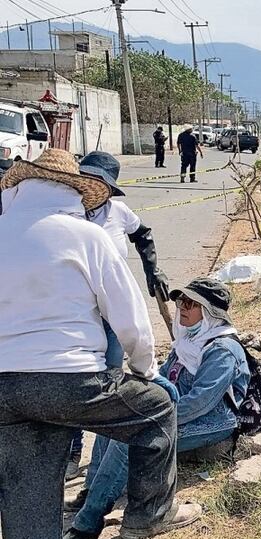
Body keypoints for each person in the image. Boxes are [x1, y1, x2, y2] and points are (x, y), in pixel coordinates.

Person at [0, 149, 199, 539]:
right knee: (158, 409)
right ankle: (149, 515)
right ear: (73, 191)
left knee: (27, 498)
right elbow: (130, 320)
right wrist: (145, 370)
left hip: (4, 389)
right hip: (71, 379)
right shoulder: (85, 236)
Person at [64, 278, 248, 539]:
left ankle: (86, 527)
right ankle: (91, 494)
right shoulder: (188, 339)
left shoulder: (222, 350)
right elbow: (163, 377)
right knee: (113, 423)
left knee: (130, 441)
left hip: (214, 422)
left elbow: (202, 403)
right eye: (180, 302)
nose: (182, 308)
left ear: (210, 312)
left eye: (191, 303)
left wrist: (155, 417)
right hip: (176, 411)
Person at [62, 151, 171, 481]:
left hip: (112, 310)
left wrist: (154, 272)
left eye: (99, 182)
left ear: (109, 188)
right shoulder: (66, 213)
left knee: (107, 380)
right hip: (78, 311)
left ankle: (103, 461)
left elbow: (143, 235)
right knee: (76, 379)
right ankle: (72, 450)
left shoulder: (119, 213)